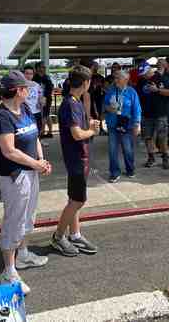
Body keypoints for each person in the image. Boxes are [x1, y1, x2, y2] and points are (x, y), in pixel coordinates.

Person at [0, 71, 52, 295]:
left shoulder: (25, 108)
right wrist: (35, 165)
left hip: (31, 170)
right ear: (18, 90)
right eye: (26, 87)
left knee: (29, 215)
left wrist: (40, 160)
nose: (30, 90)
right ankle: (9, 270)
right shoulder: (1, 116)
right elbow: (9, 151)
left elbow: (35, 136)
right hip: (14, 175)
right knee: (14, 220)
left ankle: (23, 254)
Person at [51, 65, 100, 256]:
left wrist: (89, 125)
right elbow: (77, 134)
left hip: (80, 158)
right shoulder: (71, 104)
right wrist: (92, 131)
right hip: (76, 159)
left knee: (74, 199)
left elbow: (79, 129)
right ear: (86, 83)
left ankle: (75, 234)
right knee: (78, 201)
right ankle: (58, 236)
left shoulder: (75, 101)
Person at [104, 70, 142, 182]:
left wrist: (137, 124)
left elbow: (137, 109)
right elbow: (105, 105)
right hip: (113, 124)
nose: (115, 80)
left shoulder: (131, 92)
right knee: (112, 149)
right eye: (115, 78)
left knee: (128, 149)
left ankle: (130, 169)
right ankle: (114, 172)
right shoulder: (111, 91)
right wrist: (109, 108)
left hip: (127, 124)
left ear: (125, 80)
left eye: (118, 78)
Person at [137, 66, 169, 169]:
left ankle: (165, 159)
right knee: (148, 137)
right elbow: (138, 96)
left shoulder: (161, 78)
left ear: (149, 71)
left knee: (162, 138)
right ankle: (151, 158)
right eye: (142, 74)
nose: (143, 76)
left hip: (160, 114)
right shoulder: (141, 81)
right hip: (146, 114)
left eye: (144, 73)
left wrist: (157, 90)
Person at [22, 65, 45, 137]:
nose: (29, 75)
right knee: (28, 132)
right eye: (27, 73)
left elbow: (41, 96)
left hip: (36, 111)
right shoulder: (20, 86)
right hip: (25, 113)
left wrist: (41, 101)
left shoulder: (36, 85)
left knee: (38, 129)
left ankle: (38, 143)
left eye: (31, 74)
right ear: (23, 74)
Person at [33, 62, 55, 138]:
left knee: (45, 115)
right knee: (46, 115)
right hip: (37, 99)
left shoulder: (47, 77)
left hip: (46, 99)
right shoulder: (34, 77)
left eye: (44, 67)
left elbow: (50, 88)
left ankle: (44, 132)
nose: (44, 69)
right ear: (37, 68)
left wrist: (45, 98)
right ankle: (46, 132)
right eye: (42, 67)